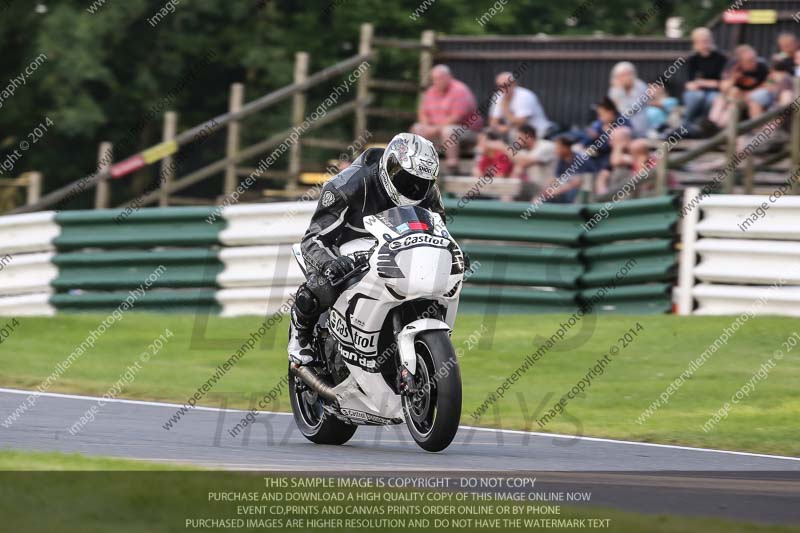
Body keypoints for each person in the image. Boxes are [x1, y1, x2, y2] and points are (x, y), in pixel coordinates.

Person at [288, 133, 446, 365]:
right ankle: (300, 334)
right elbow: (313, 238)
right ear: (390, 167)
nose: (414, 188)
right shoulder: (346, 185)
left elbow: (439, 230)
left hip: (397, 248)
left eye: (421, 183)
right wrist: (331, 263)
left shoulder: (427, 192)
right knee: (326, 281)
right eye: (405, 179)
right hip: (345, 247)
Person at [412, 65, 481, 175]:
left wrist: (435, 129)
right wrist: (426, 126)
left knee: (449, 131)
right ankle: (421, 165)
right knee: (418, 128)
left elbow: (457, 117)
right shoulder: (431, 91)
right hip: (438, 131)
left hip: (466, 132)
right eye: (434, 79)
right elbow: (423, 113)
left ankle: (452, 166)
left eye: (439, 78)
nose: (436, 81)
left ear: (449, 77)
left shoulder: (460, 90)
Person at [709, 45, 769, 128]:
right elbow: (723, 88)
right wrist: (733, 78)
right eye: (749, 61)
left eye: (754, 58)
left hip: (749, 97)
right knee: (720, 100)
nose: (754, 62)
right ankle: (712, 124)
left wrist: (746, 93)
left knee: (731, 106)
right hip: (732, 95)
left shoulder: (762, 66)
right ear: (740, 62)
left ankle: (719, 128)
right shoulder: (733, 66)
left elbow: (769, 85)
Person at [682, 27, 728, 133]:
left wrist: (704, 83)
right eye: (701, 41)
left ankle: (705, 126)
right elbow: (688, 82)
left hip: (715, 92)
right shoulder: (692, 59)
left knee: (711, 99)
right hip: (697, 92)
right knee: (697, 96)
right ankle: (686, 123)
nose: (704, 44)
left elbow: (723, 83)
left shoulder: (721, 58)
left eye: (706, 41)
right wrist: (692, 85)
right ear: (695, 43)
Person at [488, 71, 551, 139]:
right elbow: (493, 120)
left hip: (536, 132)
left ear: (515, 84)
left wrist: (505, 109)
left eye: (507, 85)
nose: (504, 89)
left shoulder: (525, 96)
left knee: (515, 135)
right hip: (513, 131)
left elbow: (521, 123)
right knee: (487, 133)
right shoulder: (498, 95)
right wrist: (498, 128)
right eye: (501, 86)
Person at [538, 135, 596, 204]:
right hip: (568, 187)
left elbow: (577, 182)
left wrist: (557, 191)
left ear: (565, 148)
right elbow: (556, 178)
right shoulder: (561, 160)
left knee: (570, 192)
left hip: (585, 188)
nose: (555, 150)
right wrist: (546, 189)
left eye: (558, 148)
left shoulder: (581, 159)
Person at [507, 124, 556, 201]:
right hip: (532, 187)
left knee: (536, 200)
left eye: (519, 138)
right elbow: (517, 171)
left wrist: (503, 148)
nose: (517, 142)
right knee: (508, 194)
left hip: (550, 187)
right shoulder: (523, 152)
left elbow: (524, 162)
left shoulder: (547, 146)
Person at [608, 62, 649, 137]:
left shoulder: (641, 87)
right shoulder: (615, 89)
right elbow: (612, 111)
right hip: (620, 127)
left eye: (629, 74)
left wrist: (619, 91)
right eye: (623, 75)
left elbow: (630, 111)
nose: (627, 77)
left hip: (639, 128)